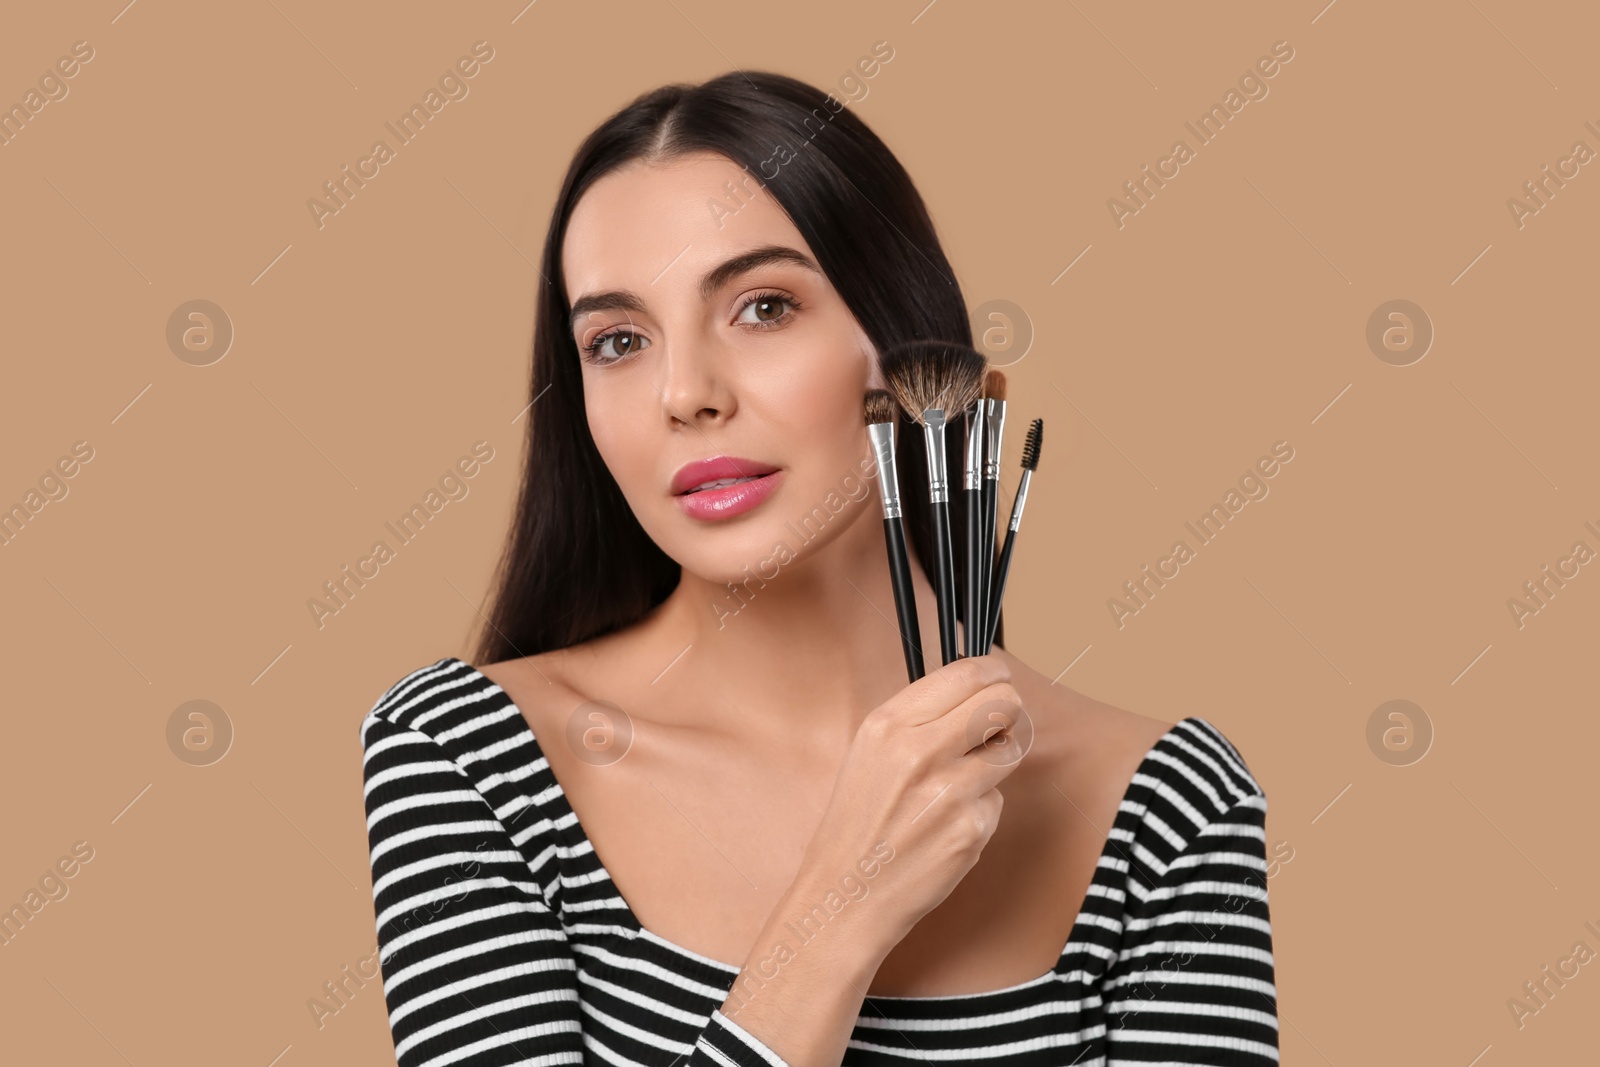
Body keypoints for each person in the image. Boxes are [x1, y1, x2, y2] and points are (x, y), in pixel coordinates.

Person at [360, 70, 1279, 1066]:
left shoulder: (1167, 806)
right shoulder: (467, 760)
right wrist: (841, 908)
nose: (684, 393)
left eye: (760, 307)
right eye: (617, 340)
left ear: (899, 337)